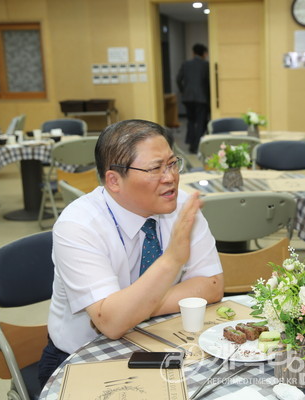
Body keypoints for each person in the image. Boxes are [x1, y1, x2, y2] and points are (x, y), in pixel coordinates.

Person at [38, 119, 224, 386]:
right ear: (114, 180)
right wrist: (172, 260)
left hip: (164, 342)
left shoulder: (180, 204)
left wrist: (136, 309)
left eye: (172, 163)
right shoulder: (78, 225)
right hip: (83, 357)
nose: (170, 177)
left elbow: (212, 286)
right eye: (154, 168)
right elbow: (112, 324)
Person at [177, 43, 210, 154]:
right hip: (202, 98)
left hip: (188, 98)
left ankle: (191, 144)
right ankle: (197, 145)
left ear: (193, 53)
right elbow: (208, 82)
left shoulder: (186, 64)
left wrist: (183, 91)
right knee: (200, 122)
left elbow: (178, 79)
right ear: (204, 54)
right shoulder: (205, 65)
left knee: (191, 121)